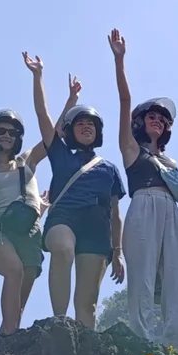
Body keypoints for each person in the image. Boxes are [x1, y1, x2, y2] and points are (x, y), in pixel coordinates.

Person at [25, 52, 127, 328]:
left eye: (90, 124)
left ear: (97, 132)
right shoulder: (61, 153)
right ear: (70, 131)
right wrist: (38, 76)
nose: (86, 127)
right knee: (62, 248)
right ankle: (59, 323)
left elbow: (116, 213)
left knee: (87, 304)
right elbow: (43, 117)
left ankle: (83, 350)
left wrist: (117, 251)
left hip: (97, 227)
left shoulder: (109, 168)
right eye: (80, 123)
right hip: (64, 216)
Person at [108, 29, 178, 346]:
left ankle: (170, 350)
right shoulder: (131, 149)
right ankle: (142, 342)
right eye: (152, 116)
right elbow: (125, 100)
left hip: (171, 211)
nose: (157, 120)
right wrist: (120, 60)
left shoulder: (169, 161)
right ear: (141, 120)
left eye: (163, 119)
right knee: (142, 279)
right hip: (142, 204)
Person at [0, 74, 80, 334]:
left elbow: (53, 134)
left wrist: (69, 100)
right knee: (13, 271)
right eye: (1, 131)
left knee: (20, 299)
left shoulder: (27, 161)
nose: (6, 136)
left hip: (31, 231)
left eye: (12, 132)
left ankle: (5, 343)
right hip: (1, 229)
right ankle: (7, 337)